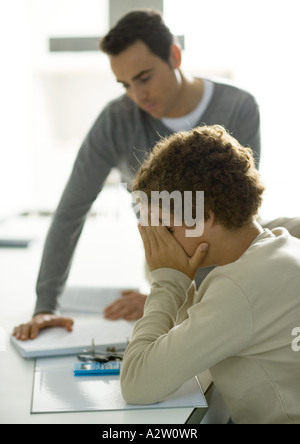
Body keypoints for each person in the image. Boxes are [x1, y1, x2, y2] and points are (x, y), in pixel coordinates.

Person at [13, 9, 261, 341]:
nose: (137, 95)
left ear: (174, 55)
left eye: (144, 78)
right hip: (165, 273)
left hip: (230, 274)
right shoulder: (117, 120)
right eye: (125, 84)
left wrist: (171, 300)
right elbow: (71, 211)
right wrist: (46, 306)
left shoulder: (238, 107)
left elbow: (240, 217)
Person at [121, 125, 300, 424]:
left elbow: (137, 383)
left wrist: (167, 282)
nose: (158, 241)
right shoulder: (279, 245)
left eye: (166, 226)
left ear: (204, 217)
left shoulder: (239, 286)